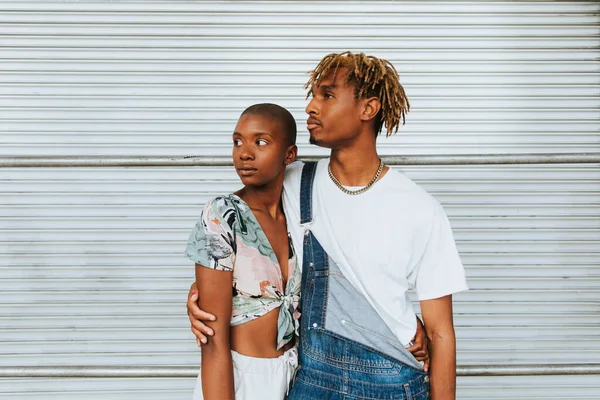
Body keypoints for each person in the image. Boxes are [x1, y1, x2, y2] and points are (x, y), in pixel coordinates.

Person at [188, 52, 468, 399]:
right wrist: (201, 293)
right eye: (314, 95)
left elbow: (441, 333)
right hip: (311, 381)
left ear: (368, 109)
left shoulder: (420, 209)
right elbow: (229, 229)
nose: (310, 107)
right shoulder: (293, 181)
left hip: (394, 383)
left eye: (327, 95)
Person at [184, 103, 301, 399]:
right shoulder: (222, 214)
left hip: (299, 373)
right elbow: (213, 339)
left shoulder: (302, 215)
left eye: (260, 142)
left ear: (290, 154)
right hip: (241, 378)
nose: (244, 153)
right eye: (238, 141)